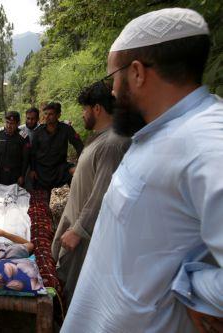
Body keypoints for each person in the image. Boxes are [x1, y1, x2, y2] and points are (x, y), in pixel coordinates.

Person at [61, 8, 223, 333]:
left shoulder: (207, 141)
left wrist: (200, 292)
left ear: (136, 72)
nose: (111, 91)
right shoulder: (154, 132)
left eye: (112, 78)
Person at [51, 81, 131, 307]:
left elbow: (102, 193)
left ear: (97, 108)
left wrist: (78, 230)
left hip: (85, 237)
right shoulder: (101, 138)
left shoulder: (113, 143)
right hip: (75, 224)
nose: (82, 114)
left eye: (84, 109)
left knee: (75, 292)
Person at [30, 102, 84, 191]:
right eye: (46, 114)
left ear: (58, 115)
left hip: (60, 167)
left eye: (51, 114)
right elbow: (32, 153)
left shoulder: (66, 129)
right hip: (42, 170)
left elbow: (79, 146)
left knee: (76, 173)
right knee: (42, 202)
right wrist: (33, 169)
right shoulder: (38, 132)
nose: (47, 117)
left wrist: (80, 164)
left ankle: (76, 202)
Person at [0, 111, 30, 186]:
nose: (9, 126)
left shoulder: (23, 137)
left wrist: (22, 175)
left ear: (18, 123)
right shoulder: (0, 133)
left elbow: (26, 158)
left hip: (15, 174)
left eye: (12, 123)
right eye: (7, 122)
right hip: (1, 173)